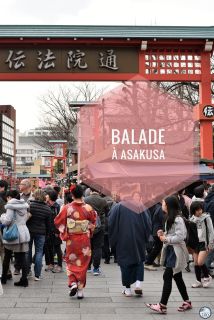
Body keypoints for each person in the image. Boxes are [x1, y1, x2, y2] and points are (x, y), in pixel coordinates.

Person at [146, 195, 191, 314]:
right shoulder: (169, 217)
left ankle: (162, 306)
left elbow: (181, 236)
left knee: (167, 276)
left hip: (176, 251)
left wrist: (166, 238)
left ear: (169, 205)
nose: (162, 205)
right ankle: (187, 301)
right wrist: (163, 233)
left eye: (164, 203)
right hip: (172, 250)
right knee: (177, 277)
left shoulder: (178, 219)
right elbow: (173, 233)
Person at [54, 185, 96, 299]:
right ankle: (80, 291)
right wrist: (88, 231)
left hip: (71, 240)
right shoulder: (88, 208)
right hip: (84, 240)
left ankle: (73, 283)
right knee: (82, 264)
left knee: (70, 261)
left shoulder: (67, 208)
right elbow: (92, 223)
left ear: (72, 195)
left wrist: (65, 231)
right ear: (82, 194)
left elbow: (58, 221)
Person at [108, 195, 151, 297]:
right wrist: (146, 237)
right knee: (139, 259)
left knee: (125, 263)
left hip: (123, 239)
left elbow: (111, 223)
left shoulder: (117, 207)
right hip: (138, 238)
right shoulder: (140, 206)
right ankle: (138, 284)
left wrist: (113, 241)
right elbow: (148, 223)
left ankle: (127, 290)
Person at [0, 190, 30, 287]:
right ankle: (24, 280)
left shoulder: (10, 205)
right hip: (23, 232)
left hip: (13, 233)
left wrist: (2, 216)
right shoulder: (24, 205)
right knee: (23, 257)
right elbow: (25, 218)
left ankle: (4, 277)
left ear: (9, 197)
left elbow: (7, 221)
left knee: (7, 256)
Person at [27, 189, 51, 281]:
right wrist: (47, 234)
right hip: (41, 233)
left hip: (29, 231)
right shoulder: (47, 208)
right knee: (39, 252)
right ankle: (37, 274)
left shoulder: (30, 206)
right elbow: (49, 224)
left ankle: (28, 271)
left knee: (28, 251)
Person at [84, 187, 109, 275]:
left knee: (88, 247)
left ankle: (88, 266)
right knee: (98, 247)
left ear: (90, 191)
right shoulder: (103, 201)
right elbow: (107, 212)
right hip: (100, 226)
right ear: (99, 191)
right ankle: (96, 268)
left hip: (88, 226)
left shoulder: (85, 200)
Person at [190, 201, 214, 288]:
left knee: (200, 262)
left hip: (205, 243)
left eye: (200, 209)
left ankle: (207, 277)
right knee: (196, 263)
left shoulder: (206, 218)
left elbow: (211, 231)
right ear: (193, 211)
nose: (199, 211)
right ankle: (198, 281)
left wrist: (210, 244)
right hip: (196, 243)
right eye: (197, 210)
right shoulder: (191, 219)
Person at [44, 190, 62, 273]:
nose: (46, 196)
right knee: (48, 248)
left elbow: (58, 220)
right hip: (48, 230)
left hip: (55, 231)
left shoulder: (56, 207)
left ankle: (59, 265)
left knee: (57, 248)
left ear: (50, 197)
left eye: (47, 195)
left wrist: (57, 231)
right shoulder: (46, 205)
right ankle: (50, 264)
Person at [145, 202, 164, 271]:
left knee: (157, 247)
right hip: (158, 230)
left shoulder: (157, 206)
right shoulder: (160, 208)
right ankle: (148, 261)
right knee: (157, 247)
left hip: (155, 229)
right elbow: (162, 219)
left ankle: (149, 261)